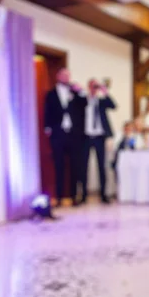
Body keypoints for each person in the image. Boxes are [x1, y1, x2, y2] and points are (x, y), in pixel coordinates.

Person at [44, 68, 87, 208]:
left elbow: (85, 104)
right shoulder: (51, 94)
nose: (66, 77)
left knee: (75, 165)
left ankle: (74, 196)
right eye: (63, 75)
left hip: (74, 134)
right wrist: (48, 128)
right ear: (58, 76)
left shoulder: (74, 93)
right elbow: (47, 112)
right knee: (59, 165)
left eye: (68, 75)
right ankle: (59, 196)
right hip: (58, 133)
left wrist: (80, 90)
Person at [79, 79, 116, 205]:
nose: (94, 89)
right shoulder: (83, 101)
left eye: (96, 87)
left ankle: (104, 195)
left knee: (102, 166)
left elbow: (113, 105)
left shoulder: (101, 102)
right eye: (92, 86)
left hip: (100, 137)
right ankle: (83, 195)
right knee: (84, 166)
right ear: (89, 87)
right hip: (86, 137)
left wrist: (105, 91)